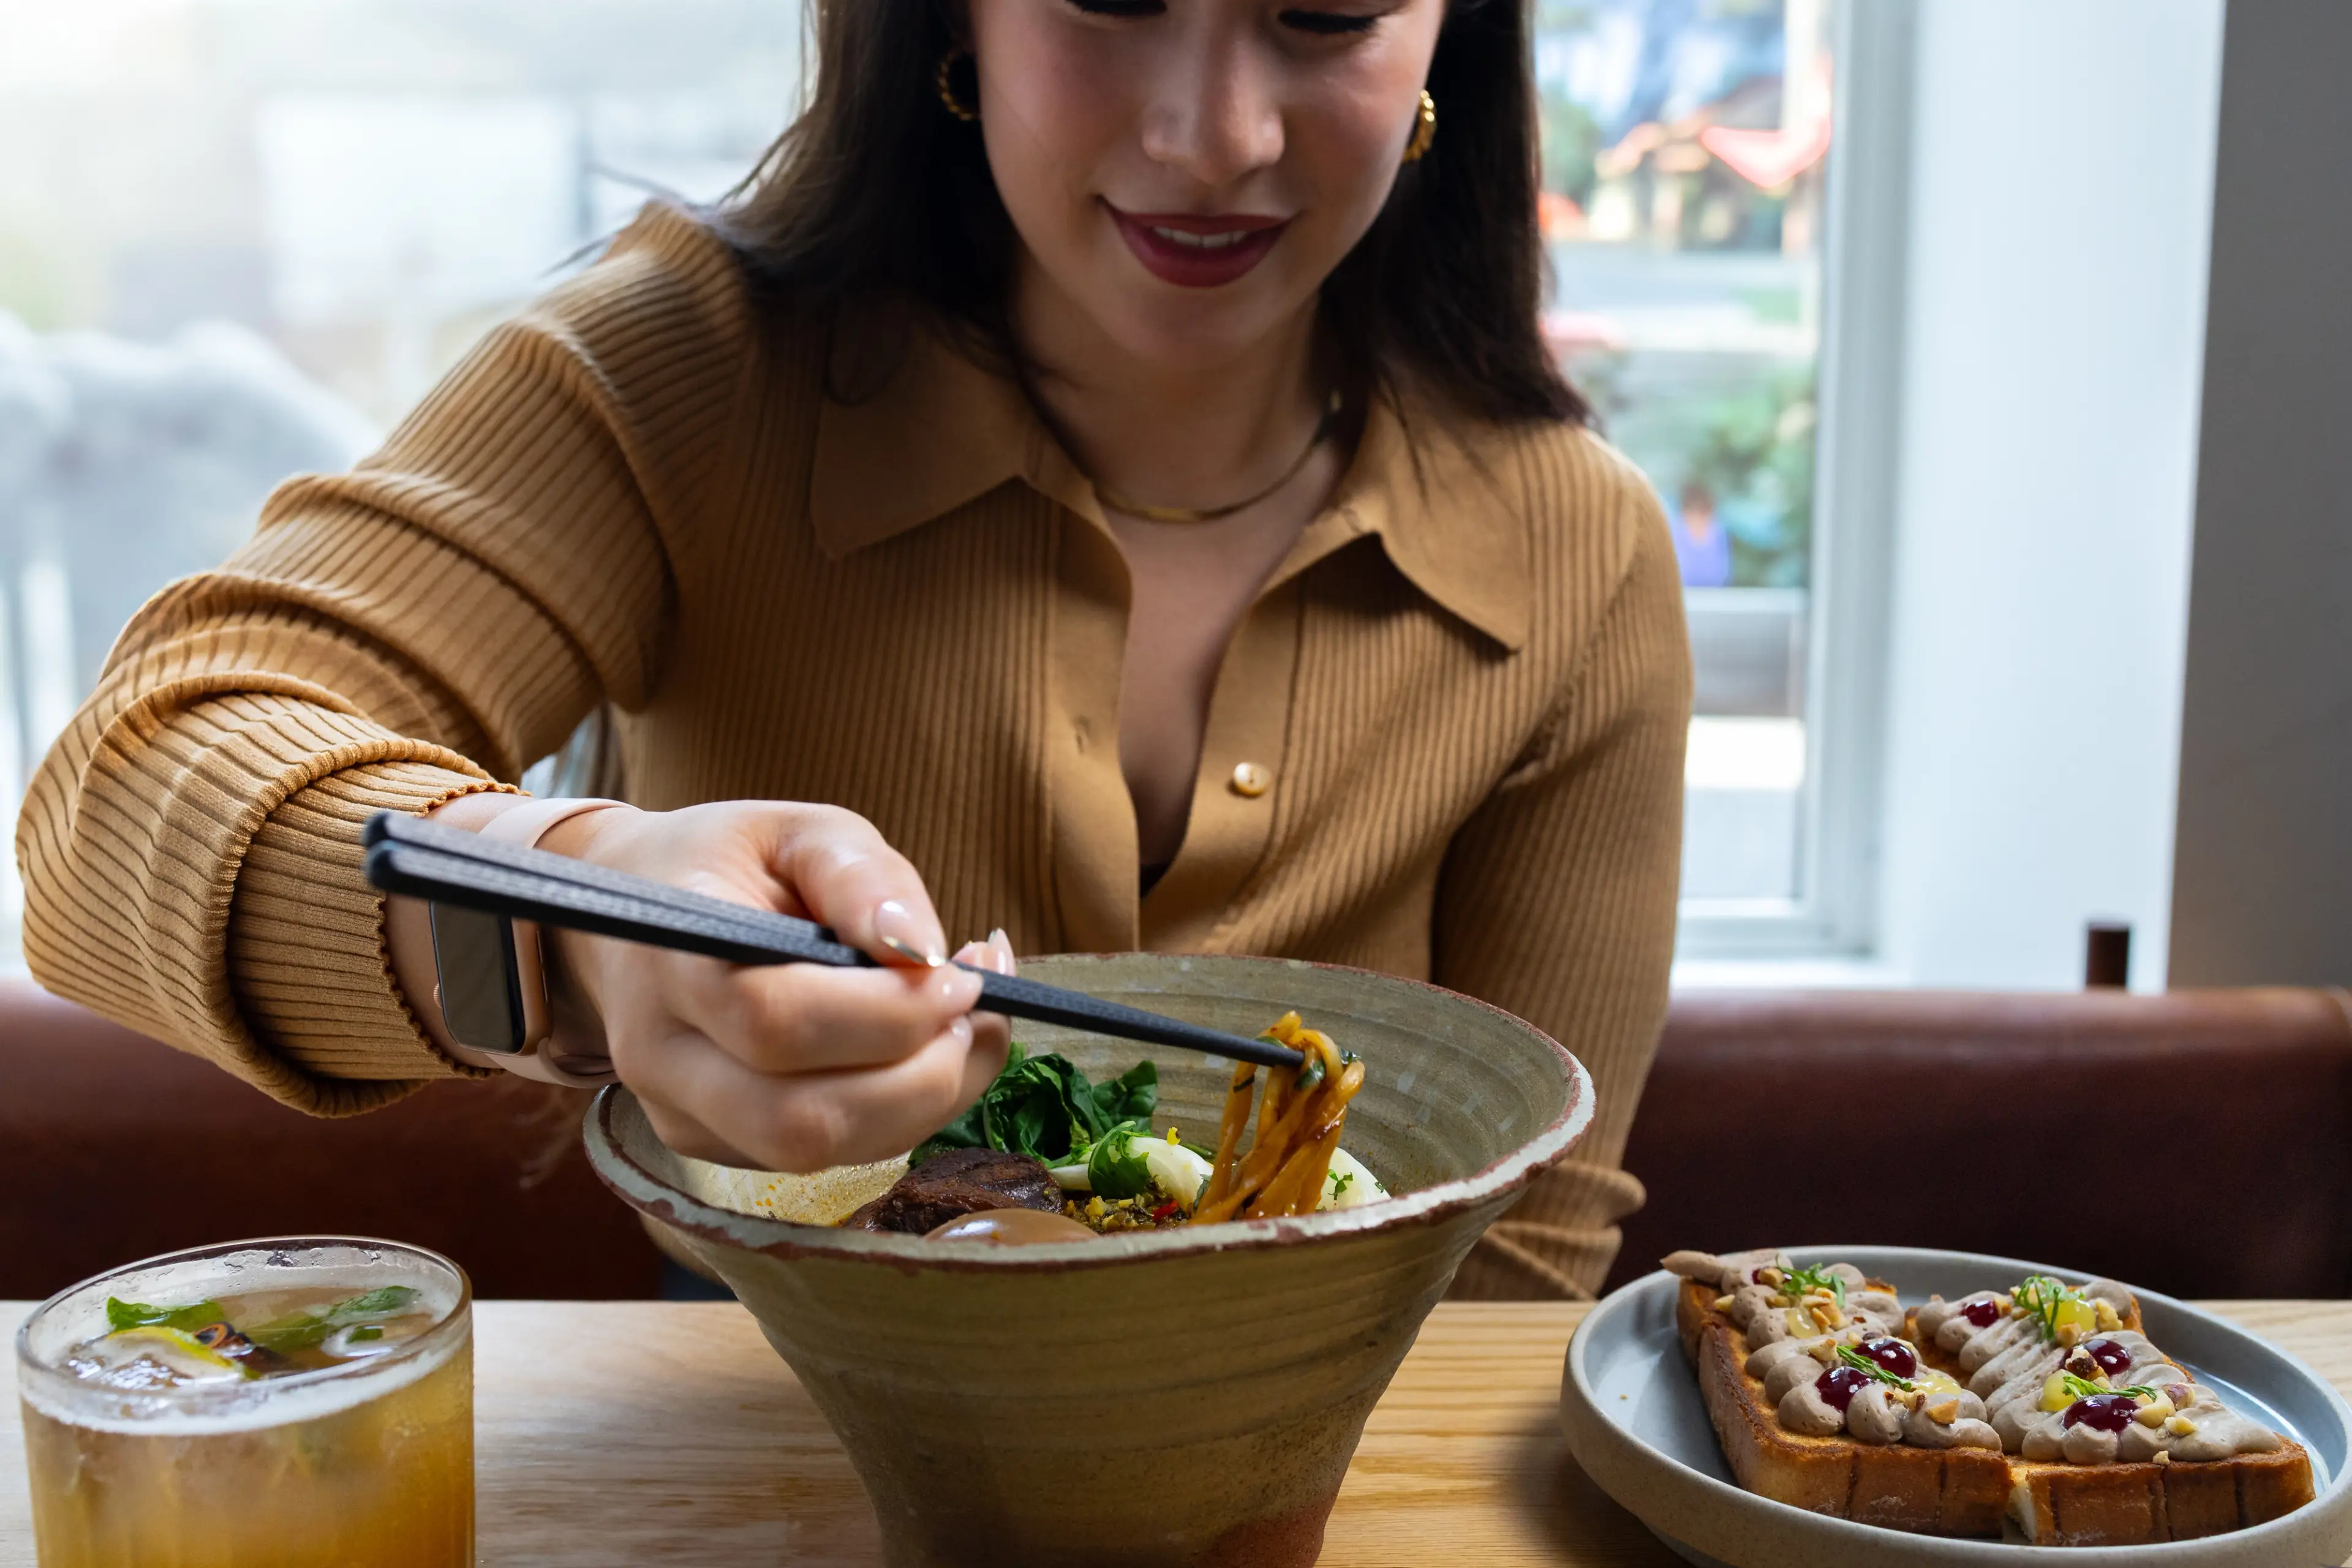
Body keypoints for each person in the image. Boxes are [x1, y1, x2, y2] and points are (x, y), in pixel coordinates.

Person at [16, 0, 1688, 1298]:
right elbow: (111, 808)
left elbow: (1516, 1269)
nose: (1213, 135)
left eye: (1322, 15)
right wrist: (579, 923)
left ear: (1448, 33)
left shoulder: (1582, 550)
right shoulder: (685, 380)